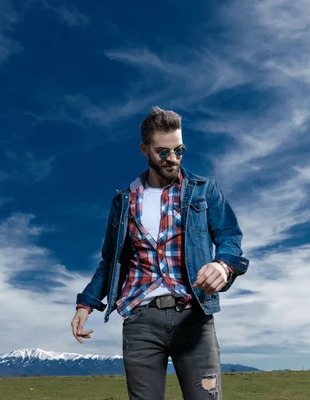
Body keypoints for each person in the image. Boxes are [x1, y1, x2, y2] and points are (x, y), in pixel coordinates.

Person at [70, 106, 249, 399]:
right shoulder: (123, 202)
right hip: (140, 321)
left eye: (179, 150)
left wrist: (223, 265)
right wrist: (86, 303)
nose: (173, 159)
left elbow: (230, 236)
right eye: (163, 152)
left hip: (194, 316)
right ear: (144, 149)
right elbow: (111, 260)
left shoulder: (204, 190)